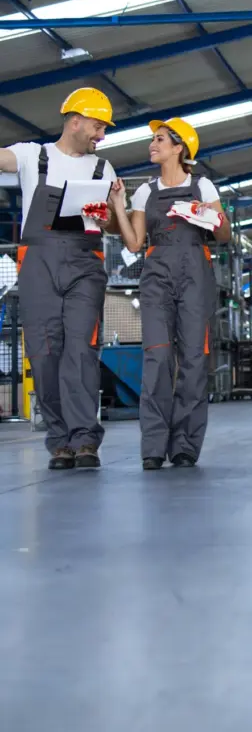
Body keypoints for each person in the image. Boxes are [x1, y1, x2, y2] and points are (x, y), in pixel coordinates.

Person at [0, 88, 117, 469]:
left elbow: (114, 222)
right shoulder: (33, 155)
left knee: (81, 351)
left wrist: (105, 215)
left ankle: (85, 440)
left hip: (85, 261)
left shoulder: (104, 168)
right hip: (38, 261)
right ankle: (60, 440)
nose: (101, 136)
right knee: (44, 353)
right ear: (75, 120)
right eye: (98, 127)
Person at [109, 118, 230, 470]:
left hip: (195, 274)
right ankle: (153, 446)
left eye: (160, 139)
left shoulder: (203, 186)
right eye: (153, 140)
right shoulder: (145, 192)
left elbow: (225, 236)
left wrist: (212, 216)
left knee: (193, 361)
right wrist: (118, 203)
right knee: (157, 359)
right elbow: (133, 242)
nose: (153, 144)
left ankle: (185, 447)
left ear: (180, 148)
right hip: (156, 277)